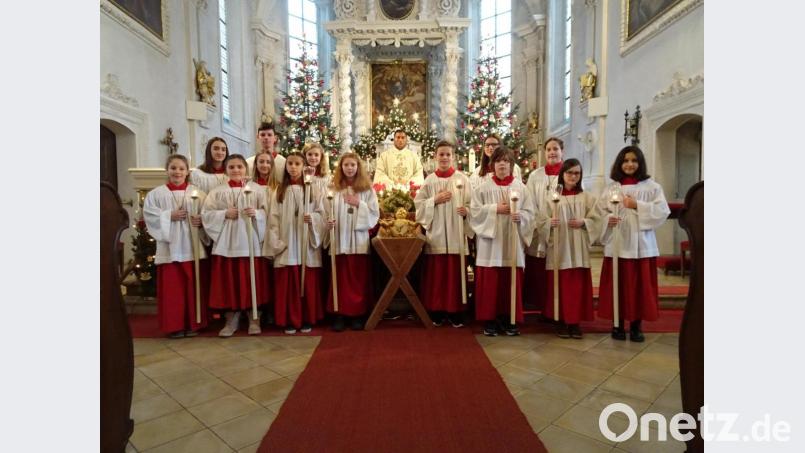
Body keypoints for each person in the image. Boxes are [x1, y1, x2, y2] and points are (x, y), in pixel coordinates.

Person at [596, 146, 670, 342]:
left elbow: (662, 210)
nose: (629, 164)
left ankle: (636, 326)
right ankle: (617, 324)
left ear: (640, 163)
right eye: (626, 160)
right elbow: (599, 213)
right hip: (617, 242)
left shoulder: (651, 187)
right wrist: (607, 220)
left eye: (634, 160)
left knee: (638, 288)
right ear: (619, 163)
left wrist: (637, 205)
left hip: (640, 244)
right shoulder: (611, 189)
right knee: (617, 285)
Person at [470, 146, 536, 337]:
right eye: (498, 161)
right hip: (490, 246)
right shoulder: (483, 188)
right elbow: (474, 213)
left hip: (512, 243)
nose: (502, 164)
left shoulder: (521, 188)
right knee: (490, 283)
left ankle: (509, 318)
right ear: (492, 164)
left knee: (510, 282)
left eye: (506, 161)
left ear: (511, 165)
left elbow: (531, 214)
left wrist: (521, 216)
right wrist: (494, 209)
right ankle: (489, 320)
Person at [143, 155, 210, 338]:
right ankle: (175, 325)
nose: (177, 172)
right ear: (167, 170)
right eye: (173, 168)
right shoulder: (156, 194)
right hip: (170, 247)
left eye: (181, 168)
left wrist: (201, 221)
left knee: (193, 286)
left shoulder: (198, 193)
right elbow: (150, 215)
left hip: (192, 244)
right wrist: (168, 216)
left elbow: (208, 215)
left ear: (187, 171)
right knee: (173, 289)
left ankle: (194, 323)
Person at [201, 154, 268, 337]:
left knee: (251, 279)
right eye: (231, 167)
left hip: (250, 241)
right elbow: (207, 214)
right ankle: (231, 318)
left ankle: (254, 317)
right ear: (226, 170)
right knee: (229, 282)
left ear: (246, 169)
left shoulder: (257, 190)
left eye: (239, 166)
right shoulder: (217, 191)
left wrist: (257, 213)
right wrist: (224, 213)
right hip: (227, 243)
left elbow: (268, 212)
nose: (236, 170)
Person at [537, 158, 598, 339]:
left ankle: (574, 322)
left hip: (578, 249)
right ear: (562, 174)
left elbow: (597, 219)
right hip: (559, 247)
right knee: (559, 285)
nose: (573, 176)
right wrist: (549, 222)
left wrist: (584, 222)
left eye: (577, 173)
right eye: (569, 172)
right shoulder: (552, 197)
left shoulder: (587, 197)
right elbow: (540, 221)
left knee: (576, 287)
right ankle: (560, 320)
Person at [266, 153, 326, 334]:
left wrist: (313, 219)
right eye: (290, 164)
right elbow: (273, 218)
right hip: (287, 242)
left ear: (303, 166)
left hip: (306, 242)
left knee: (306, 281)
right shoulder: (279, 190)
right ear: (285, 167)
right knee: (288, 282)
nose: (293, 167)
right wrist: (277, 242)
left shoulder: (313, 189)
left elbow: (322, 213)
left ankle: (307, 317)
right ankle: (289, 319)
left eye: (297, 164)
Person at [414, 140, 472, 327]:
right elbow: (419, 206)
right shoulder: (430, 180)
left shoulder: (463, 179)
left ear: (453, 157)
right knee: (437, 275)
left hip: (456, 233)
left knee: (454, 274)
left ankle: (455, 311)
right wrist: (434, 200)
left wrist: (467, 211)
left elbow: (473, 204)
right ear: (435, 157)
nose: (445, 158)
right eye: (441, 154)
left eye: (448, 154)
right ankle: (436, 310)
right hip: (437, 234)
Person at [324, 152, 380, 331]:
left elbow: (374, 214)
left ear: (358, 167)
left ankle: (358, 314)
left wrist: (359, 204)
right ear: (341, 167)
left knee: (357, 279)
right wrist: (328, 222)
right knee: (339, 279)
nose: (349, 168)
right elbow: (325, 209)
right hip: (340, 238)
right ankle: (339, 314)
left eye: (353, 165)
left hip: (358, 240)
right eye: (346, 165)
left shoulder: (367, 189)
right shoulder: (333, 189)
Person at [524, 137, 565, 318]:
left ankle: (556, 307)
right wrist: (542, 222)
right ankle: (541, 305)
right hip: (538, 228)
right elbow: (529, 201)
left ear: (562, 151)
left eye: (555, 149)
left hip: (560, 227)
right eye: (549, 149)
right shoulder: (535, 176)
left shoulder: (569, 173)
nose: (552, 152)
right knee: (539, 269)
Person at [254, 150, 279, 325]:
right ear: (255, 165)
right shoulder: (249, 187)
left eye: (268, 162)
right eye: (261, 162)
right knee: (260, 274)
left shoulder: (279, 186)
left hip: (275, 231)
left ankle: (273, 309)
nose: (264, 165)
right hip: (257, 233)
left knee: (274, 273)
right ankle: (260, 308)